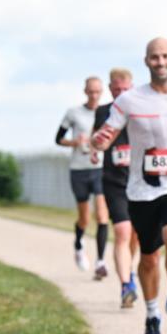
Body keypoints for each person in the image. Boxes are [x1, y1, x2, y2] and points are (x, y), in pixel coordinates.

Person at [92, 38, 167, 334]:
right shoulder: (130, 100)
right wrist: (98, 144)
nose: (160, 62)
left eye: (165, 56)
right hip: (141, 190)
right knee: (148, 258)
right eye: (154, 57)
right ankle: (152, 315)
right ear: (146, 61)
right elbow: (108, 132)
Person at [93, 68, 141, 308]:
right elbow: (97, 138)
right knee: (122, 232)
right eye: (117, 90)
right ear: (110, 89)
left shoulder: (141, 110)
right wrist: (95, 151)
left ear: (131, 88)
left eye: (126, 90)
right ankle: (126, 286)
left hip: (140, 182)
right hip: (114, 182)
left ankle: (129, 272)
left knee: (135, 237)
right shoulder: (103, 112)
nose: (122, 93)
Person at [57, 76, 110, 277]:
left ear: (101, 92)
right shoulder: (73, 113)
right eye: (91, 91)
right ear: (85, 91)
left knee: (103, 215)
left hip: (99, 168)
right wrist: (74, 143)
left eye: (97, 92)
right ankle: (78, 245)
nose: (94, 95)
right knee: (84, 218)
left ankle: (100, 262)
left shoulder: (107, 113)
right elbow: (58, 139)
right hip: (79, 169)